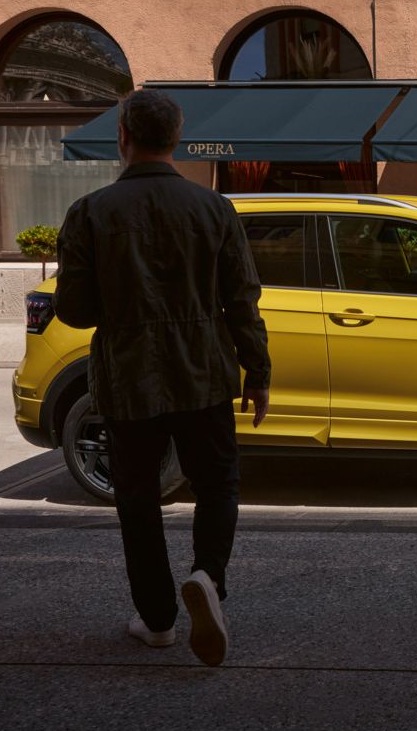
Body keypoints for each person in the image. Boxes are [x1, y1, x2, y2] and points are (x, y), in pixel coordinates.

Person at [55, 89, 271, 665]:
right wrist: (258, 371)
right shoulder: (213, 209)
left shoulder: (91, 213)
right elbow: (242, 300)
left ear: (123, 136)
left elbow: (73, 310)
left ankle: (156, 622)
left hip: (129, 377)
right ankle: (208, 579)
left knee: (138, 498)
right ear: (176, 138)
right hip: (203, 371)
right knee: (218, 482)